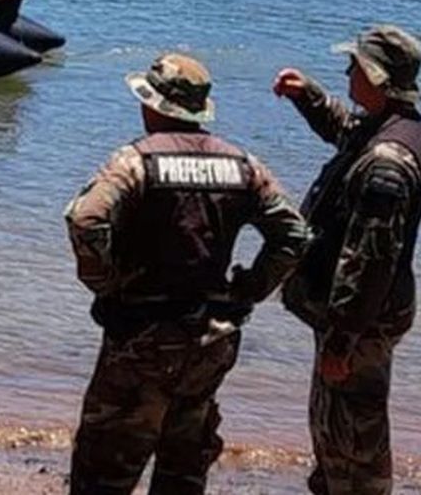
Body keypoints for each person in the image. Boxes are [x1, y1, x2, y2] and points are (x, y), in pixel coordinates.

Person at [66, 52, 309, 495]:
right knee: (182, 470)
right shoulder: (242, 165)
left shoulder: (136, 162)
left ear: (154, 105)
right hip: (209, 339)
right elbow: (293, 235)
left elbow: (86, 219)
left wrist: (106, 280)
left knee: (104, 469)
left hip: (142, 335)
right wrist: (251, 288)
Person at [272, 24, 421, 495]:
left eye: (356, 66)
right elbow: (346, 130)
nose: (347, 71)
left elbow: (370, 259)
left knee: (354, 439)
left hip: (361, 322)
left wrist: (342, 339)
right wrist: (309, 97)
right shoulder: (395, 126)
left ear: (378, 78)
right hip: (358, 318)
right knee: (334, 426)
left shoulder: (387, 162)